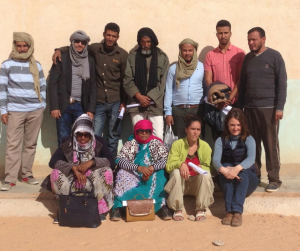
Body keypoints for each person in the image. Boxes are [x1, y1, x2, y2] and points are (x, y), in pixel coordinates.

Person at [52, 23, 128, 158]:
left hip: (114, 100)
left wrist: (124, 102)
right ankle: (85, 164)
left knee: (113, 136)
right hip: (96, 102)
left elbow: (125, 80)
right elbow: (75, 47)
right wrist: (58, 49)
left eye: (113, 36)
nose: (110, 38)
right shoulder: (95, 49)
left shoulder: (122, 54)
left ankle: (109, 166)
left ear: (118, 37)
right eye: (108, 35)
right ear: (104, 34)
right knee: (93, 136)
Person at [238, 27, 287, 192]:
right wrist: (240, 109)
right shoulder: (247, 59)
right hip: (250, 109)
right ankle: (255, 175)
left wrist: (279, 108)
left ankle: (274, 179)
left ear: (263, 39)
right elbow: (243, 84)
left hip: (269, 109)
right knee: (253, 144)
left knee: (270, 144)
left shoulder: (275, 56)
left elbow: (282, 84)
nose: (251, 43)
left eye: (254, 39)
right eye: (249, 40)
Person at [41, 114, 115, 221]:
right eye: (79, 134)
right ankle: (64, 209)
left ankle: (99, 211)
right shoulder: (68, 142)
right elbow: (53, 162)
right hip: (72, 178)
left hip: (93, 179)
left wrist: (92, 162)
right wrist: (73, 168)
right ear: (75, 133)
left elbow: (111, 161)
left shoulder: (99, 142)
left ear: (91, 133)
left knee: (107, 171)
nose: (83, 137)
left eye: (86, 134)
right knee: (55, 173)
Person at [0, 32, 46, 191]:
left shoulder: (36, 65)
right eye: (19, 45)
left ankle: (26, 174)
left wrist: (42, 105)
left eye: (24, 45)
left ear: (30, 46)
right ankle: (10, 179)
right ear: (14, 46)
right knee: (13, 144)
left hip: (35, 110)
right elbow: (2, 89)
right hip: (15, 110)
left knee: (30, 143)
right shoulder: (7, 65)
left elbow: (42, 86)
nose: (21, 49)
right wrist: (3, 110)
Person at [110, 120, 172, 221]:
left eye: (147, 131)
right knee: (121, 173)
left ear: (150, 131)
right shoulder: (131, 143)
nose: (144, 133)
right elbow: (120, 160)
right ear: (136, 131)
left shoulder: (157, 143)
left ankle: (161, 206)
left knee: (162, 173)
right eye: (141, 131)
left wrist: (151, 168)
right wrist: (138, 168)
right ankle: (119, 207)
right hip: (135, 172)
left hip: (152, 172)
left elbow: (165, 160)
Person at [49, 30, 96, 146]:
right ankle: (65, 164)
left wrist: (91, 109)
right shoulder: (62, 57)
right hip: (63, 107)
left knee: (82, 140)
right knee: (63, 139)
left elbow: (93, 86)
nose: (80, 44)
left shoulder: (89, 60)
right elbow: (52, 84)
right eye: (77, 41)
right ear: (72, 42)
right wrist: (54, 107)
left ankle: (78, 163)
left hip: (81, 106)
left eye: (83, 42)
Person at [213, 108, 258, 227]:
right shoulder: (220, 140)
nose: (235, 128)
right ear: (227, 124)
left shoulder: (249, 139)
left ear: (242, 125)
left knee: (242, 172)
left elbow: (251, 158)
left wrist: (236, 169)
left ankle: (237, 212)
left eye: (238, 125)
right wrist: (224, 170)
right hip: (228, 177)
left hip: (248, 179)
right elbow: (216, 160)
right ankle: (229, 212)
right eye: (232, 125)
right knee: (224, 174)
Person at [164, 114, 214, 221]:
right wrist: (180, 164)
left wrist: (202, 167)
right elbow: (169, 166)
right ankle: (177, 209)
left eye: (198, 129)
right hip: (181, 185)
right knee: (176, 172)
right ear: (186, 129)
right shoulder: (177, 144)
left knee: (206, 174)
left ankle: (200, 209)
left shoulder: (205, 146)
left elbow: (208, 167)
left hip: (197, 185)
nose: (195, 132)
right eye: (192, 129)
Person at [123, 27, 169, 140]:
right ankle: (140, 158)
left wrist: (147, 98)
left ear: (153, 42)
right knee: (139, 136)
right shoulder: (132, 57)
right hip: (136, 104)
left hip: (155, 103)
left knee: (157, 136)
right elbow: (127, 79)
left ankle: (156, 158)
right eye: (143, 42)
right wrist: (139, 97)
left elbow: (163, 82)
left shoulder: (162, 57)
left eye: (148, 42)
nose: (146, 45)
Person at [164, 38, 205, 138]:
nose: (187, 53)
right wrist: (168, 113)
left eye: (190, 50)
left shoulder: (202, 67)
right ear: (180, 51)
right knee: (179, 141)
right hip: (179, 110)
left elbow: (206, 87)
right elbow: (168, 90)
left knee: (197, 140)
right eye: (185, 50)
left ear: (194, 51)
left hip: (197, 109)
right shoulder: (173, 68)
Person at [204, 20, 245, 107]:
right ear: (216, 34)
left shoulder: (240, 53)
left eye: (226, 33)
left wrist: (230, 97)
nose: (223, 36)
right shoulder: (210, 55)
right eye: (220, 33)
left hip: (236, 102)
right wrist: (218, 98)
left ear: (230, 33)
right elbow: (208, 80)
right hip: (217, 103)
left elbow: (241, 78)